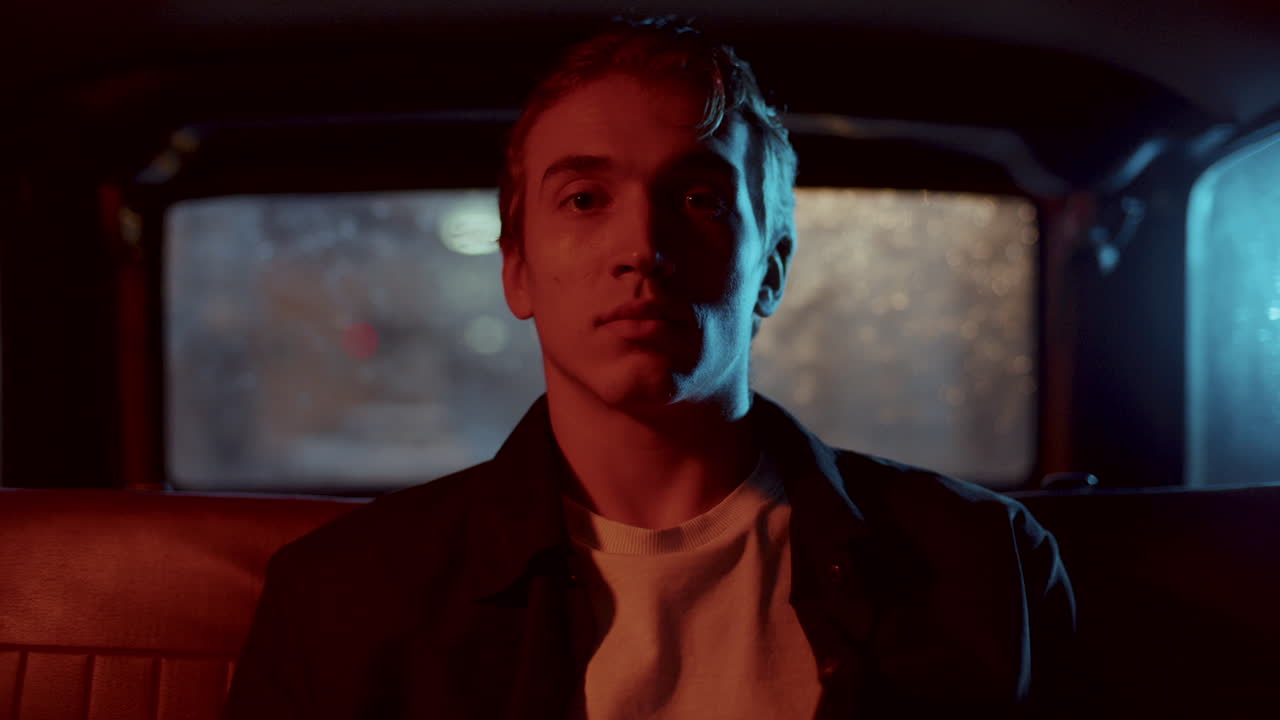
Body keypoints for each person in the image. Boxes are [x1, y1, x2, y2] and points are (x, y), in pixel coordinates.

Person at [224, 17, 1075, 719]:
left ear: (771, 270)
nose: (642, 249)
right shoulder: (343, 602)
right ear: (516, 269)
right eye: (584, 200)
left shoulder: (984, 564)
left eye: (700, 199)